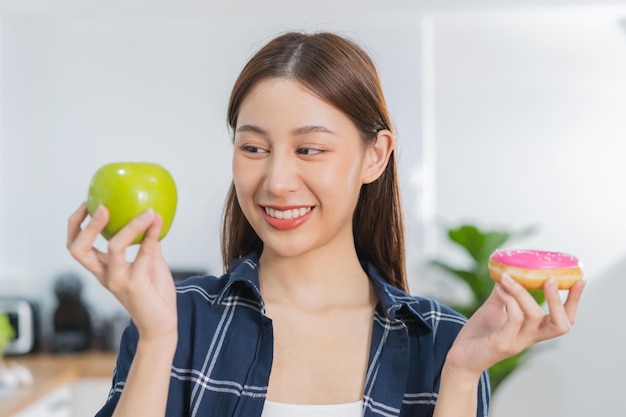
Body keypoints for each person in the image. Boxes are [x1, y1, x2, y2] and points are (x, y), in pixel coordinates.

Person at [67, 31, 585, 417]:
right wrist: (157, 340)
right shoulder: (179, 322)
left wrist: (462, 374)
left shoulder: (444, 341)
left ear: (374, 156)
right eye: (253, 148)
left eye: (309, 149)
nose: (276, 180)